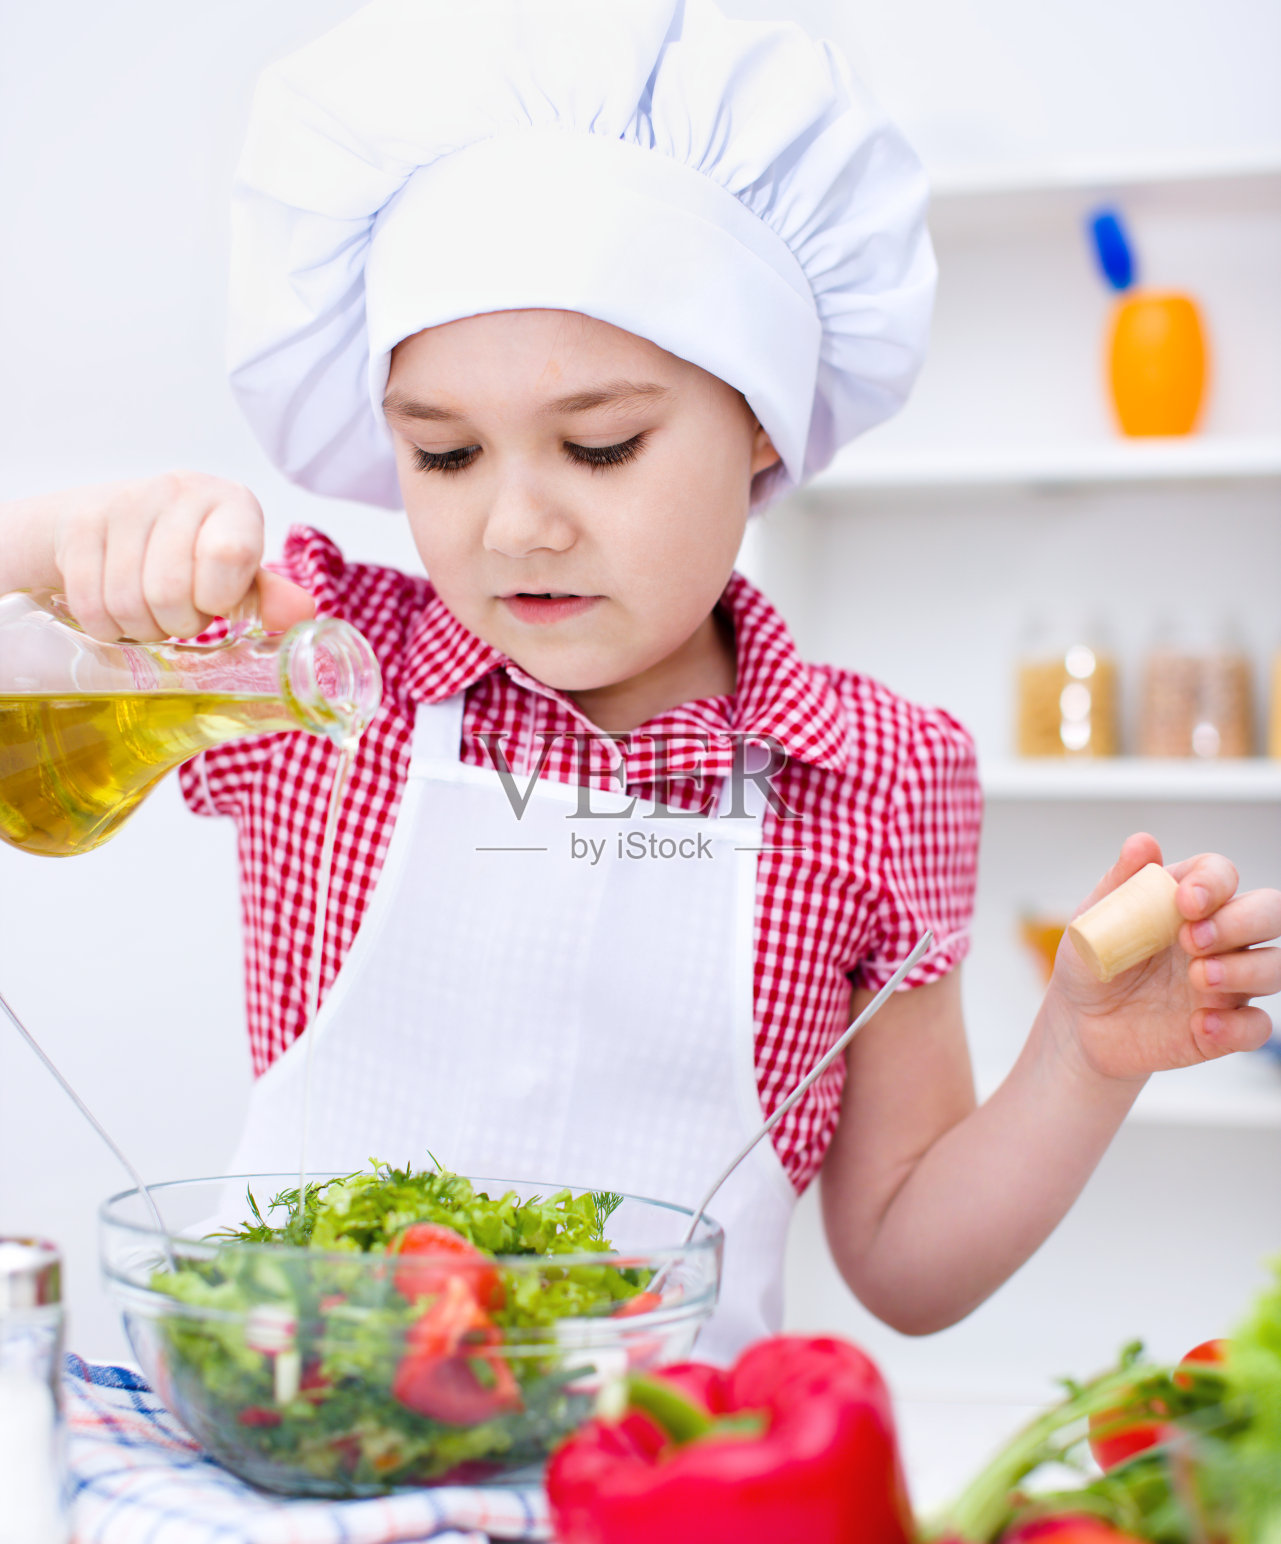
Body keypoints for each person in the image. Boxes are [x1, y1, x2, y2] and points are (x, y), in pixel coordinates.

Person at [2, 0, 1278, 1363]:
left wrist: (1077, 1056)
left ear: (761, 428)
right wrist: (70, 543)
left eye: (600, 446)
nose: (515, 527)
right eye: (444, 455)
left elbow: (907, 1266)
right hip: (299, 1438)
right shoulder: (319, 670)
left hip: (660, 1472)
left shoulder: (876, 770)